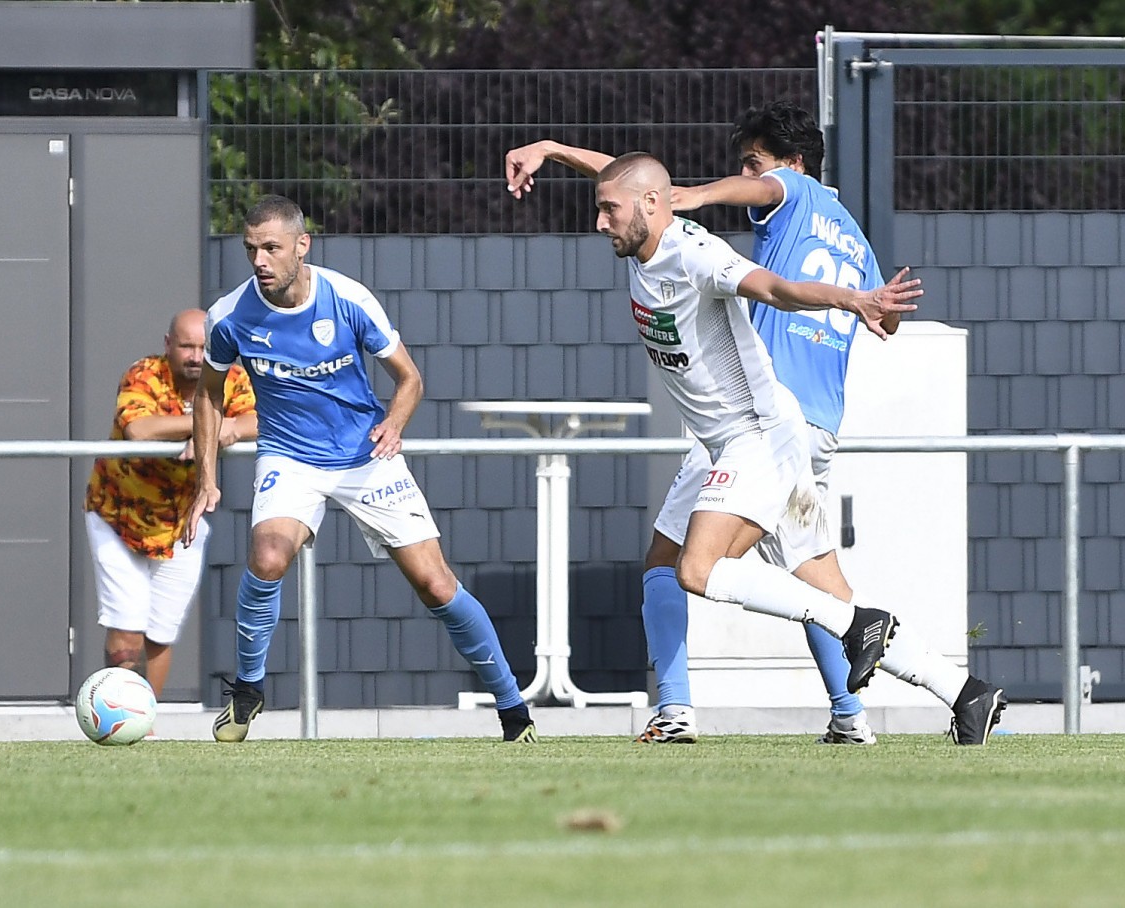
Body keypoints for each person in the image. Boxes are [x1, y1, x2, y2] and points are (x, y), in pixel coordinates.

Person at [515, 150, 1007, 745]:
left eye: (608, 211)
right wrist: (549, 150)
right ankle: (964, 692)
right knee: (704, 569)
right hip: (733, 444)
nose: (600, 223)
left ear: (651, 205)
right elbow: (623, 171)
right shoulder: (643, 217)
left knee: (696, 569)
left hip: (759, 438)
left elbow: (773, 287)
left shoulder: (692, 253)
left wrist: (854, 300)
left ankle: (848, 631)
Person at [182, 194, 537, 744]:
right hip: (289, 456)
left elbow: (410, 379)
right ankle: (248, 690)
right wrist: (207, 475)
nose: (259, 260)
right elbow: (209, 395)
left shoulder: (348, 299)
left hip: (365, 456)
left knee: (435, 584)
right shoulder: (230, 315)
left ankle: (514, 712)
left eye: (271, 247)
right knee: (269, 554)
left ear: (303, 245)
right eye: (250, 248)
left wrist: (394, 424)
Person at [84, 309, 257, 705]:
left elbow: (263, 419)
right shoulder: (145, 374)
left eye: (204, 347)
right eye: (186, 347)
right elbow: (139, 429)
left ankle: (143, 720)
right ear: (168, 345)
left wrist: (227, 428)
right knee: (126, 625)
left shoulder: (230, 376)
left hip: (185, 521)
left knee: (160, 632)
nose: (196, 357)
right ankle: (115, 716)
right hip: (119, 514)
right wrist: (206, 425)